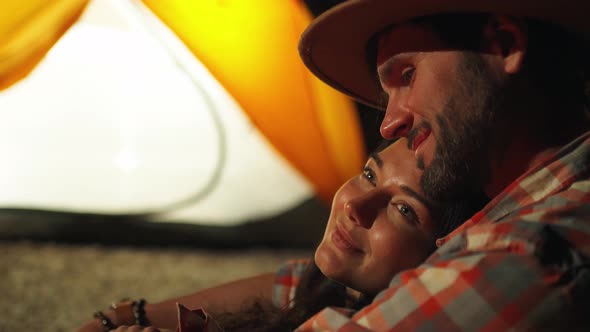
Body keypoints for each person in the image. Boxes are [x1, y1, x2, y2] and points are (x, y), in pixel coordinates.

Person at [293, 0, 590, 330]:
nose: (389, 126)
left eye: (408, 75)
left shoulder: (529, 255)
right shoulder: (512, 219)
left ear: (504, 45)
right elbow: (295, 284)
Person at [78, 138, 487, 331]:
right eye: (368, 175)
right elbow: (284, 285)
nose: (354, 207)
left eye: (402, 210)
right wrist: (112, 319)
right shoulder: (326, 287)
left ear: (442, 251)